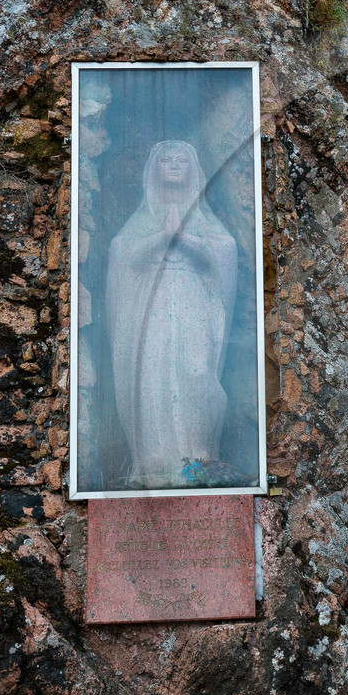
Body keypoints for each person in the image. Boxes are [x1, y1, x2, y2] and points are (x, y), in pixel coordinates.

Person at [106, 140, 241, 487]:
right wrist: (160, 239)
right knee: (151, 375)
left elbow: (224, 251)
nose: (174, 164)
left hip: (195, 306)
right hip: (149, 310)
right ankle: (153, 461)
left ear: (195, 173)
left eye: (182, 160)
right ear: (153, 170)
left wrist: (184, 239)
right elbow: (121, 253)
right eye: (166, 159)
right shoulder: (143, 218)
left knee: (197, 373)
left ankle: (198, 461)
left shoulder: (204, 219)